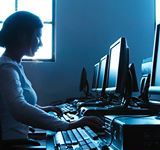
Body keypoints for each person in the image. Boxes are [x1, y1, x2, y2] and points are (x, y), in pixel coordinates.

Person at [0, 11, 104, 141]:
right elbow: (19, 108)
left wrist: (43, 109)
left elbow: (18, 101)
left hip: (18, 142)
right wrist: (68, 125)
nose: (41, 43)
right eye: (38, 36)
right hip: (11, 149)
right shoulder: (6, 68)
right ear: (22, 36)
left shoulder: (14, 65)